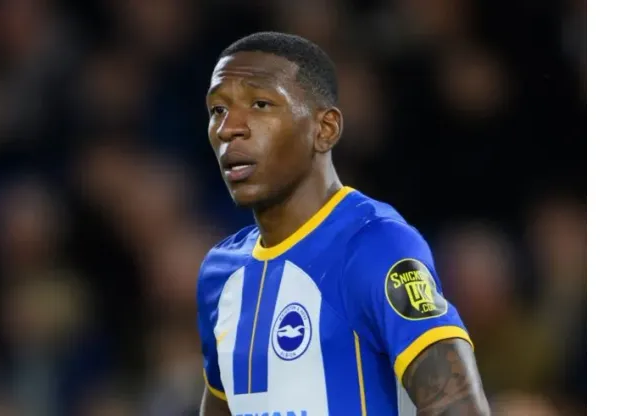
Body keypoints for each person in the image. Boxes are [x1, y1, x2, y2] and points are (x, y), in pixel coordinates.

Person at [196, 32, 490, 416]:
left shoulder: (375, 245)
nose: (228, 128)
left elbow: (458, 407)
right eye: (218, 110)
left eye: (260, 104)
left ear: (325, 129)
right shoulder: (221, 275)